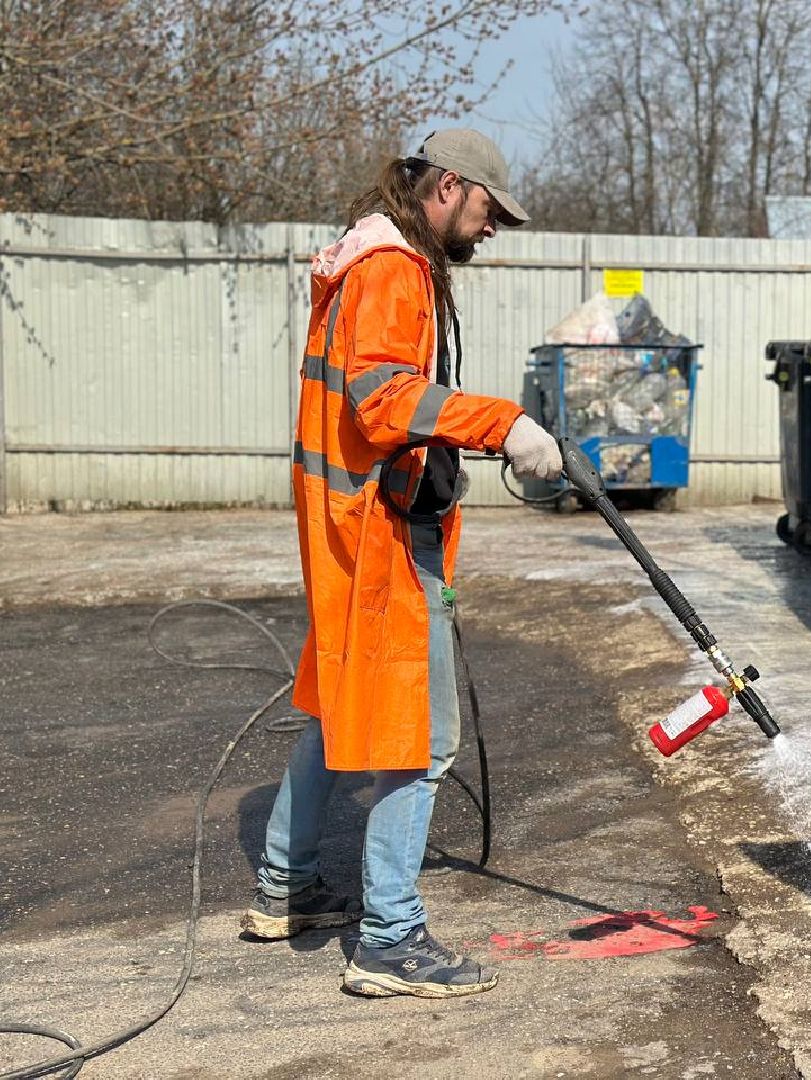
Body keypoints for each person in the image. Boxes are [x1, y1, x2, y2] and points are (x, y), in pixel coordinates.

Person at [238, 129, 563, 999]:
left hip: (353, 527)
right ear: (450, 187)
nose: (492, 227)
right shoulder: (392, 269)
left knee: (339, 707)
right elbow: (381, 396)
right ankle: (390, 939)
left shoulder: (369, 255)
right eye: (490, 208)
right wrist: (503, 423)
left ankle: (287, 885)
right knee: (417, 739)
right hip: (377, 539)